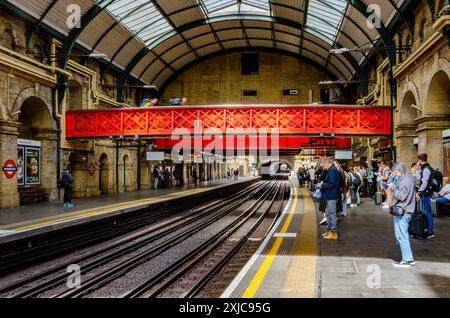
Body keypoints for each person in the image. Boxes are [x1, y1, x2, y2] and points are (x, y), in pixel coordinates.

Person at [386, 162, 417, 268]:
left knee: (401, 236)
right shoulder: (408, 178)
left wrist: (393, 187)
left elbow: (402, 196)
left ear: (400, 170)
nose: (395, 175)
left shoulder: (406, 181)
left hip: (403, 211)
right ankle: (409, 259)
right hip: (406, 210)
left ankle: (406, 260)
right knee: (403, 235)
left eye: (395, 172)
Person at [317, 158, 341, 240]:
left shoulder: (333, 170)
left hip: (332, 196)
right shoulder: (330, 170)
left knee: (332, 214)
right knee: (327, 213)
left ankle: (333, 233)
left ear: (327, 163)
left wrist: (322, 185)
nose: (323, 167)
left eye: (323, 165)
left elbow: (332, 184)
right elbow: (323, 178)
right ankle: (329, 230)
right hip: (329, 196)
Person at [416, 153, 435, 239]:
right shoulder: (426, 168)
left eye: (418, 160)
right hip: (427, 192)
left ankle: (430, 232)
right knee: (427, 212)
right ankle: (427, 229)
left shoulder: (426, 169)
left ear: (420, 160)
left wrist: (419, 191)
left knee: (428, 212)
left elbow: (424, 182)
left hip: (426, 193)